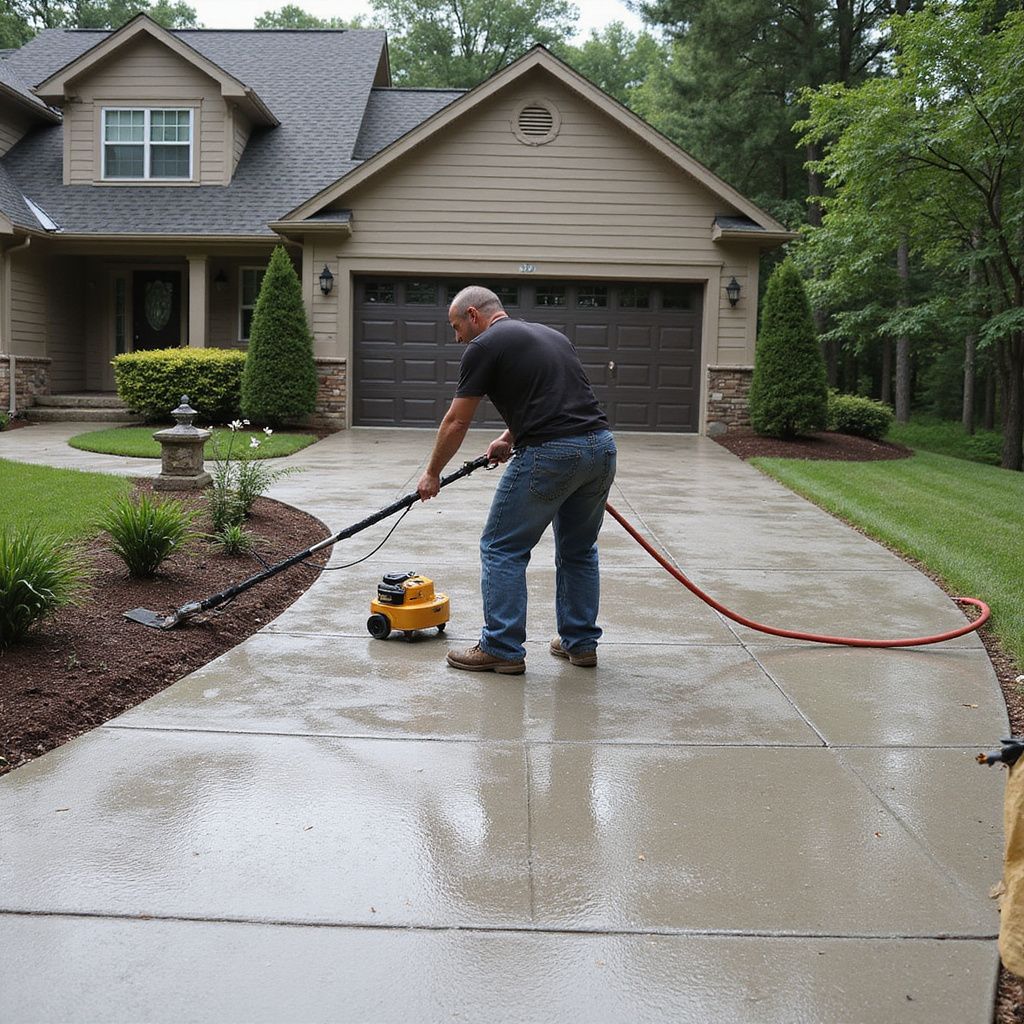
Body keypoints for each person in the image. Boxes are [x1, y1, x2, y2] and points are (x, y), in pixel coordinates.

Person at [417, 285, 617, 675]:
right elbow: (556, 397)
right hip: (601, 448)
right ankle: (580, 644)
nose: (457, 338)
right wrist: (509, 437)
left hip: (553, 453)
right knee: (579, 550)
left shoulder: (484, 345)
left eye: (456, 326)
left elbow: (457, 421)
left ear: (473, 315)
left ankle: (502, 646)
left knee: (501, 547)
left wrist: (432, 473)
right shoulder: (552, 336)